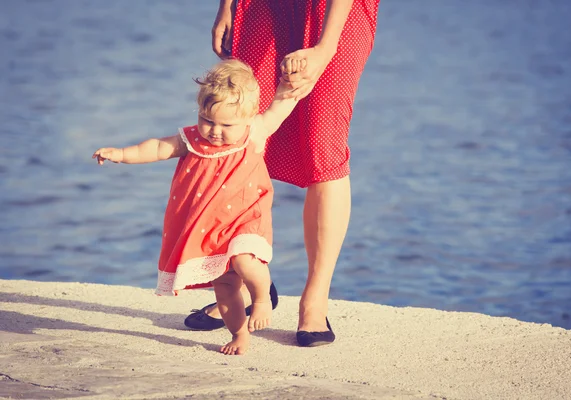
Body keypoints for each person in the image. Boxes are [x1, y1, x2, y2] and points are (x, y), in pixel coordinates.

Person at [184, 0, 381, 347]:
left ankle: (315, 300)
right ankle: (241, 281)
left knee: (324, 145)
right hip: (263, 7)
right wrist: (227, 5)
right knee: (243, 135)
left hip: (333, 12)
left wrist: (325, 46)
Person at [92, 58, 302, 355]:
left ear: (249, 116)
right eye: (208, 120)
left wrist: (288, 85)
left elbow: (282, 104)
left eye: (226, 124)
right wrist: (121, 153)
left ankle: (263, 297)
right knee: (225, 287)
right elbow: (156, 147)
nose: (215, 131)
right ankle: (240, 334)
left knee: (244, 260)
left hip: (245, 216)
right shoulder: (190, 139)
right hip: (209, 226)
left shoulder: (254, 131)